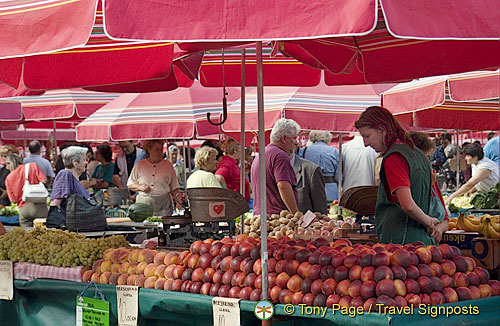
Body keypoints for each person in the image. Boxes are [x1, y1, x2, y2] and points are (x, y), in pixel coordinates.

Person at [355, 106, 440, 245]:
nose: (365, 144)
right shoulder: (417, 153)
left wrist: (429, 222)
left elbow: (408, 205)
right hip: (423, 242)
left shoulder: (394, 158)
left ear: (383, 129)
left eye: (367, 136)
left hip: (400, 244)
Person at [251, 118, 300, 215]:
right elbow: (283, 185)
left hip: (260, 215)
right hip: (277, 217)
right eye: (294, 138)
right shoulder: (280, 156)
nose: (296, 143)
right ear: (284, 138)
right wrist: (296, 213)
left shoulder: (261, 154)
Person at [409, 131, 449, 242]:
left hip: (431, 248)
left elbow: (445, 219)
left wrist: (439, 229)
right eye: (422, 159)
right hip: (408, 247)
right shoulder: (405, 184)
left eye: (427, 158)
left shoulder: (431, 178)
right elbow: (410, 208)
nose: (426, 163)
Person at [127, 140, 182, 216]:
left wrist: (178, 205)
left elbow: (175, 188)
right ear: (149, 150)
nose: (160, 152)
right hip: (143, 207)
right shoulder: (140, 165)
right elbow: (130, 184)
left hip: (164, 207)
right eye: (156, 150)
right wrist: (139, 187)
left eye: (161, 149)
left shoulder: (168, 165)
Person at [49, 146, 93, 221]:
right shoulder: (65, 174)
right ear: (75, 162)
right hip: (71, 227)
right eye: (84, 160)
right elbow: (55, 204)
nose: (86, 162)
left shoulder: (73, 178)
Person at [5, 154, 48, 227]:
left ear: (9, 164)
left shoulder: (8, 178)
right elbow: (44, 180)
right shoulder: (32, 166)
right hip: (39, 206)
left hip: (23, 209)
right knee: (43, 234)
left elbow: (13, 201)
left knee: (27, 235)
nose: (6, 168)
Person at [298, 130, 339, 202]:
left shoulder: (303, 151)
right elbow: (338, 176)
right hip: (330, 189)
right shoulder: (335, 151)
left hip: (310, 188)